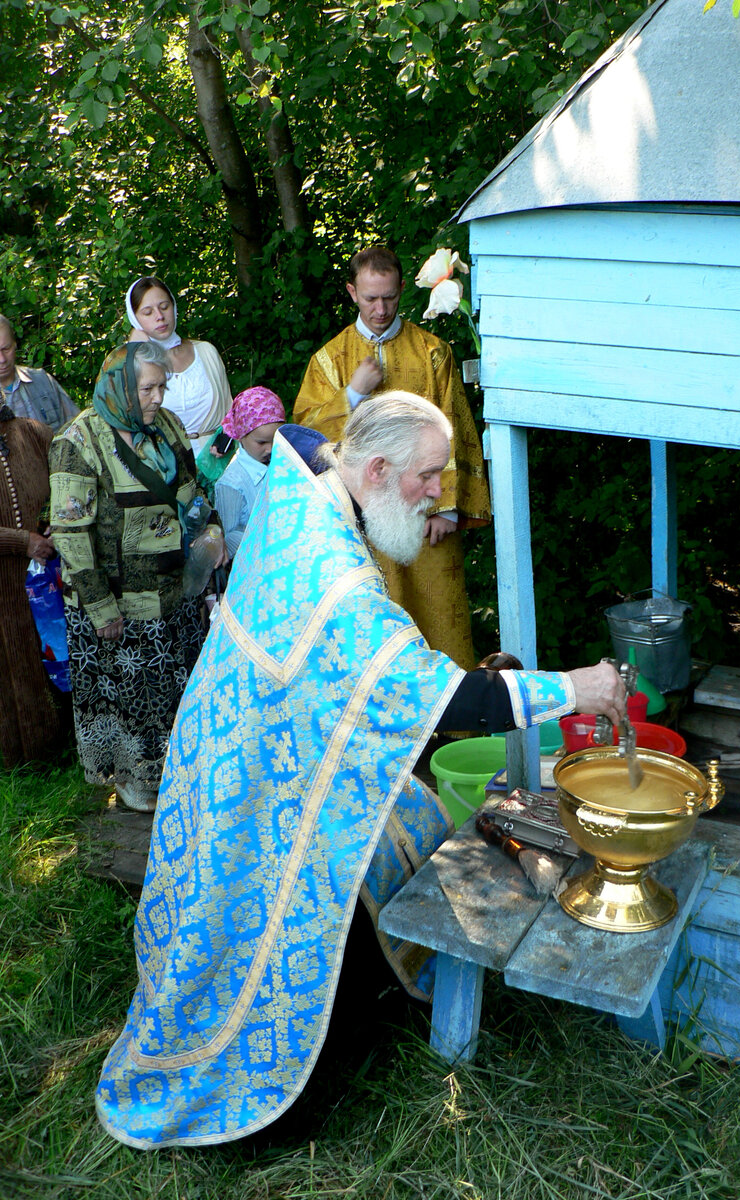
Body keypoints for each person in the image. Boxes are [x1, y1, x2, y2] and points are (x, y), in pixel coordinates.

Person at [95, 391, 626, 1148]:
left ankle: (356, 984)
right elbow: (448, 701)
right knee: (257, 922)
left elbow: (305, 437)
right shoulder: (337, 583)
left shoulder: (305, 484)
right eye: (429, 477)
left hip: (228, 740)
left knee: (398, 817)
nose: (440, 492)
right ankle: (272, 1068)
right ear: (377, 469)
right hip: (255, 778)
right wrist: (579, 688)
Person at [293, 245, 491, 669]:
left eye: (389, 297)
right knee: (376, 629)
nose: (380, 309)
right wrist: (352, 393)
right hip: (362, 519)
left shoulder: (432, 352)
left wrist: (449, 510)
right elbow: (306, 438)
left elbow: (455, 428)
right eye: (370, 299)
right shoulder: (329, 360)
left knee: (438, 619)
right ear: (351, 292)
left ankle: (453, 726)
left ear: (402, 289)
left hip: (427, 516)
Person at [49, 342, 224, 813]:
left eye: (162, 387)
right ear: (120, 386)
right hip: (116, 602)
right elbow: (70, 533)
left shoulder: (167, 426)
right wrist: (99, 606)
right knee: (133, 697)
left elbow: (191, 489)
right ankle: (137, 786)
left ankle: (179, 773)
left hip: (175, 590)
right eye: (147, 387)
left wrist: (209, 531)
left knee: (176, 685)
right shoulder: (78, 441)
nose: (158, 398)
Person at [0, 404, 64, 765]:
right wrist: (20, 541)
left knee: (55, 653)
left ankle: (64, 751)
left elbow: (67, 480)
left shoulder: (33, 432)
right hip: (3, 584)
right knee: (12, 664)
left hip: (48, 577)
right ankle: (22, 762)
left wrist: (54, 519)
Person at [125, 275, 232, 461]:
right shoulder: (132, 365)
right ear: (135, 319)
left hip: (217, 462)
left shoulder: (206, 353)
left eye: (164, 307)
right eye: (148, 312)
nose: (159, 316)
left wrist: (228, 436)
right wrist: (135, 351)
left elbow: (230, 412)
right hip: (167, 465)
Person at [214, 386, 288, 557]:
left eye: (276, 440)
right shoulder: (231, 483)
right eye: (261, 443)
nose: (270, 449)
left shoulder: (283, 462)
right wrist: (264, 542)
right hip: (257, 563)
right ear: (241, 435)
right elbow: (228, 536)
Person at [0, 315, 78, 432]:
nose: (2, 359)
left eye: (6, 349)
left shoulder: (42, 380)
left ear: (15, 345)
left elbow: (77, 427)